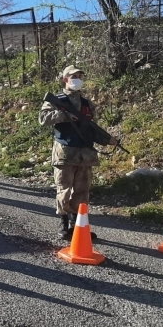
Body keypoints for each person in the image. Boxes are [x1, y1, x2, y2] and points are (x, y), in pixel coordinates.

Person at [38, 65, 117, 240]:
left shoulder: (87, 104)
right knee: (64, 190)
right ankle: (64, 225)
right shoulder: (56, 100)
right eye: (74, 76)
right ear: (65, 79)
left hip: (85, 154)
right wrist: (65, 116)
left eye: (80, 76)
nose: (78, 79)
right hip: (65, 153)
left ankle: (78, 226)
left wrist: (108, 139)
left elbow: (92, 128)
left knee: (82, 192)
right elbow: (43, 119)